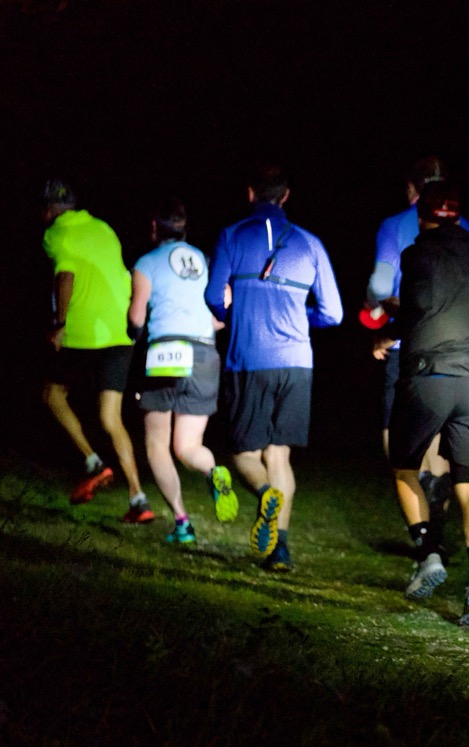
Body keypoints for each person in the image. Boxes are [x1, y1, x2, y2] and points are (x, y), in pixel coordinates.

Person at [365, 156, 469, 558]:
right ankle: (443, 539)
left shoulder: (398, 227)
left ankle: (426, 542)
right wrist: (459, 304)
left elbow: (380, 285)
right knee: (448, 455)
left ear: (412, 191)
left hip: (415, 354)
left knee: (403, 454)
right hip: (467, 363)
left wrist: (382, 310)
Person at [204, 164, 343, 571]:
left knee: (243, 453)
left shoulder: (231, 235)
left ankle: (266, 493)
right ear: (285, 196)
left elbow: (213, 296)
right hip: (297, 363)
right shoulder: (311, 244)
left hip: (249, 359)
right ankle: (280, 549)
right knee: (280, 455)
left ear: (251, 194)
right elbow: (333, 314)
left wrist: (232, 313)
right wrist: (300, 318)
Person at [376, 180, 469, 627]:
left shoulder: (416, 255)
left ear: (422, 217)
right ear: (457, 218)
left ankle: (428, 555)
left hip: (429, 376)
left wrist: (386, 333)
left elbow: (416, 309)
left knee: (403, 466)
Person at [39, 178, 154, 523]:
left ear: (49, 210)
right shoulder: (104, 228)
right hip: (119, 332)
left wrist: (60, 324)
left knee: (52, 394)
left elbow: (65, 275)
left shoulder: (55, 233)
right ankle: (139, 499)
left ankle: (92, 462)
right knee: (110, 418)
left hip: (84, 333)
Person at [127, 198, 239, 544]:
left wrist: (133, 331)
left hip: (165, 353)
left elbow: (136, 318)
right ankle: (214, 471)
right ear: (184, 227)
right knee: (189, 446)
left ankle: (182, 522)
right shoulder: (205, 260)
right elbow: (221, 313)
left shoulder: (146, 263)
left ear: (154, 228)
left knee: (156, 445)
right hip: (204, 353)